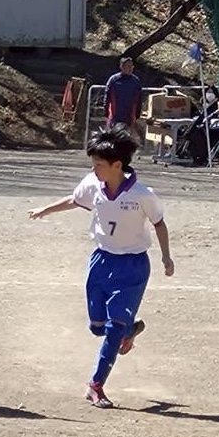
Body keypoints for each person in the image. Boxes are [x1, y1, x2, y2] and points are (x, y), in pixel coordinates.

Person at [27, 125, 174, 408]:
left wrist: (166, 257)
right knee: (98, 327)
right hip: (101, 261)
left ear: (117, 165)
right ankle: (128, 331)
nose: (93, 169)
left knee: (114, 325)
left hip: (132, 266)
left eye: (98, 165)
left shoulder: (143, 194)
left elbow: (159, 223)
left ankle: (96, 385)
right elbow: (75, 200)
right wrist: (45, 210)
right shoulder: (93, 184)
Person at [104, 57, 142, 129]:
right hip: (115, 115)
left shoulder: (136, 81)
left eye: (132, 66)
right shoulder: (113, 80)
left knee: (127, 134)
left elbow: (139, 99)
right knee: (113, 133)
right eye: (128, 66)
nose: (130, 68)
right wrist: (106, 112)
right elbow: (107, 97)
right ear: (121, 67)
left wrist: (137, 114)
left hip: (129, 116)